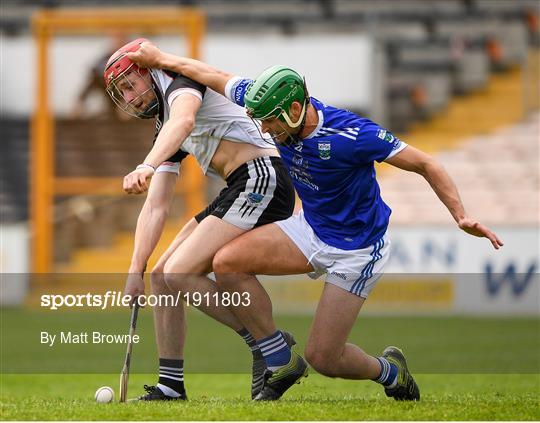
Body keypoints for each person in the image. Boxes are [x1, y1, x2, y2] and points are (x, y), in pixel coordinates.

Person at [127, 42, 504, 401]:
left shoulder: (353, 134)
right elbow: (207, 72)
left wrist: (460, 215)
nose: (267, 132)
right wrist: (161, 57)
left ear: (293, 109)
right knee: (227, 263)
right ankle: (277, 354)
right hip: (309, 230)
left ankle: (390, 371)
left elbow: (426, 163)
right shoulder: (267, 104)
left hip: (355, 249)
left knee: (325, 358)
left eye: (272, 123)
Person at [104, 38, 298, 401]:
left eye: (131, 85)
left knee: (180, 272)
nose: (129, 98)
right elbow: (156, 205)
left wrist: (146, 164)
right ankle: (171, 385)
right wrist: (135, 267)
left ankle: (271, 348)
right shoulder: (165, 125)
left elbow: (185, 120)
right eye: (122, 93)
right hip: (238, 186)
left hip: (263, 177)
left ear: (149, 73)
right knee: (162, 277)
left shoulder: (180, 83)